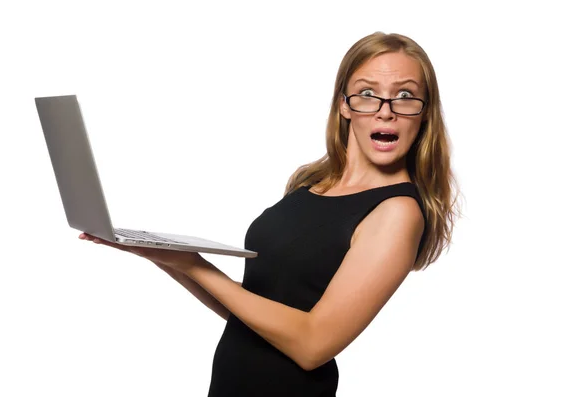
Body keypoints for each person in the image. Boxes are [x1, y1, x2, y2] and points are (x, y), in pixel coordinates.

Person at [80, 31, 460, 396]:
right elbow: (253, 315)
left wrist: (194, 265)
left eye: (405, 95)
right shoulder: (310, 182)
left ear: (424, 113)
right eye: (367, 94)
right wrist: (162, 256)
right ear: (344, 104)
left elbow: (313, 345)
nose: (385, 111)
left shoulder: (397, 212)